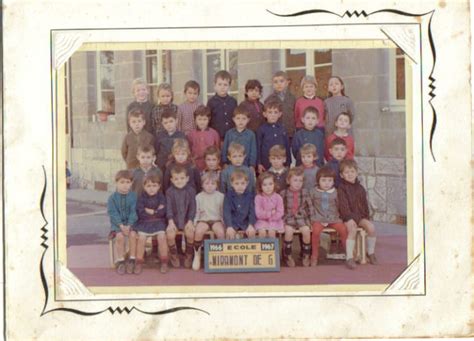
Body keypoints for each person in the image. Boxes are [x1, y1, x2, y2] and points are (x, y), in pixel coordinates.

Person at [337, 159, 378, 269]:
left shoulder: (360, 188)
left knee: (371, 227)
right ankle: (350, 257)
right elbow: (343, 207)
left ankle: (370, 252)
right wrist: (349, 218)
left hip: (360, 216)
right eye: (346, 172)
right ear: (341, 175)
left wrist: (366, 218)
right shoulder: (341, 188)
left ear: (356, 173)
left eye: (352, 171)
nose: (350, 174)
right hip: (347, 217)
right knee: (352, 229)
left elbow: (364, 205)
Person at [309, 167, 348, 266]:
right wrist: (312, 217)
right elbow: (310, 205)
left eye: (330, 180)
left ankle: (349, 253)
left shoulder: (335, 192)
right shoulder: (313, 192)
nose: (327, 183)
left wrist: (341, 217)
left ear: (333, 181)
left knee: (343, 229)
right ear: (318, 181)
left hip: (333, 218)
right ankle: (314, 255)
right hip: (319, 218)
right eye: (323, 180)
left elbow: (339, 205)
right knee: (316, 232)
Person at [280, 167, 314, 267]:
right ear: (288, 181)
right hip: (288, 217)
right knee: (289, 231)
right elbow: (280, 208)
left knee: (306, 231)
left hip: (301, 217)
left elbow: (310, 207)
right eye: (295, 180)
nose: (298, 183)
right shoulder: (284, 193)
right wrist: (280, 221)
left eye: (300, 180)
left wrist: (312, 221)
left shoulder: (305, 192)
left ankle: (306, 255)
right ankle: (288, 255)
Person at [134, 174, 168, 274]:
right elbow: (140, 212)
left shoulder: (161, 197)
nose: (151, 188)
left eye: (154, 185)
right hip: (144, 223)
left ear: (159, 186)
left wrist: (152, 212)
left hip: (158, 222)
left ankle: (164, 262)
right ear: (144, 187)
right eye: (148, 186)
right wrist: (155, 211)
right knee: (141, 238)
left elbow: (163, 211)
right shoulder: (141, 198)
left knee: (162, 236)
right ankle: (139, 262)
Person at [107, 170, 138, 275]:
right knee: (119, 237)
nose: (125, 185)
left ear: (131, 183)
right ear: (116, 183)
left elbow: (134, 212)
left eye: (128, 182)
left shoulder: (133, 196)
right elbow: (113, 213)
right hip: (117, 224)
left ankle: (132, 260)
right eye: (122, 182)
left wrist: (129, 225)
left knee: (133, 235)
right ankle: (121, 261)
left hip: (131, 224)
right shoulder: (112, 198)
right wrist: (121, 225)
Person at [165, 165, 197, 269]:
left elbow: (193, 208)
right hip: (173, 221)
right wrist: (170, 221)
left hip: (187, 220)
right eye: (176, 179)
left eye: (182, 178)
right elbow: (168, 208)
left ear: (187, 178)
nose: (179, 181)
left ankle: (189, 254)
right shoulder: (169, 192)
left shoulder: (191, 191)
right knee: (170, 235)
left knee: (190, 233)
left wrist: (190, 221)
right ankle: (174, 254)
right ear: (172, 180)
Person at [193, 172, 225, 271]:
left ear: (216, 185)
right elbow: (197, 211)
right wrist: (195, 222)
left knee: (220, 232)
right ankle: (197, 255)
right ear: (202, 185)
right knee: (198, 232)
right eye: (207, 183)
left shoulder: (221, 196)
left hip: (216, 219)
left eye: (212, 183)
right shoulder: (198, 197)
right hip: (204, 219)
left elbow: (222, 211)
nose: (210, 186)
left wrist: (224, 223)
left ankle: (220, 255)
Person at [256, 99, 291, 173]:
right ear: (265, 114)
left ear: (280, 114)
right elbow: (258, 147)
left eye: (275, 112)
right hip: (266, 164)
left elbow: (287, 146)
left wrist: (288, 163)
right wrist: (259, 163)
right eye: (270, 112)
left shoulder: (282, 128)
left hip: (281, 163)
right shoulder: (261, 129)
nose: (273, 115)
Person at [223, 169, 257, 239]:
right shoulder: (228, 195)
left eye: (242, 183)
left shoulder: (250, 195)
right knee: (229, 234)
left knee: (251, 233)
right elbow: (226, 212)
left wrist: (251, 224)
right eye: (237, 183)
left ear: (247, 183)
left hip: (245, 223)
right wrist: (229, 226)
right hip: (233, 223)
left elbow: (252, 211)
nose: (240, 186)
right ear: (232, 184)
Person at [221, 104, 257, 169]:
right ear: (233, 119)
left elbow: (253, 151)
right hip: (231, 166)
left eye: (244, 118)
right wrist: (225, 162)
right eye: (238, 118)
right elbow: (225, 149)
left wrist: (252, 165)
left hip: (246, 166)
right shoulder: (229, 133)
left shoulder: (251, 134)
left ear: (248, 120)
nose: (241, 121)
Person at [187, 105, 220, 171]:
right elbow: (189, 150)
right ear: (195, 120)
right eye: (199, 119)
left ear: (209, 119)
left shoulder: (214, 133)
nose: (202, 122)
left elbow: (217, 149)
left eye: (204, 119)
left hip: (210, 165)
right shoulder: (191, 134)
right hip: (195, 165)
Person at [264, 70, 296, 139]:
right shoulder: (269, 100)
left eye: (281, 81)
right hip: (275, 133)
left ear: (287, 83)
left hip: (290, 133)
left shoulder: (293, 98)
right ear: (272, 84)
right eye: (276, 82)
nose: (279, 84)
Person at [207, 70, 238, 140]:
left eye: (225, 85)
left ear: (229, 86)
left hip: (232, 136)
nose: (222, 87)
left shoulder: (233, 102)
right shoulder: (211, 102)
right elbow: (208, 120)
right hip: (216, 136)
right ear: (215, 85)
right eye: (220, 84)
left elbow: (236, 118)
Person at [254, 172, 284, 238]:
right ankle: (261, 247)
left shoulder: (278, 197)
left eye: (270, 184)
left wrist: (272, 218)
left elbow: (280, 212)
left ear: (274, 184)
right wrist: (270, 213)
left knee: (272, 232)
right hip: (262, 221)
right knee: (262, 232)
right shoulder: (258, 197)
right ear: (260, 186)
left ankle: (274, 248)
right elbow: (258, 213)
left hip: (275, 221)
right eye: (264, 185)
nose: (268, 187)